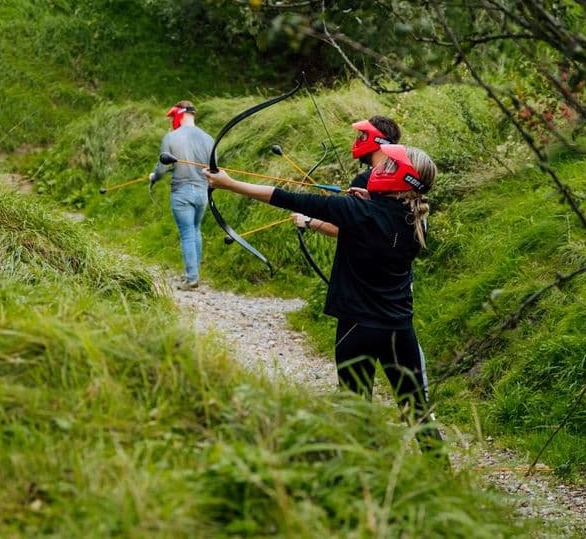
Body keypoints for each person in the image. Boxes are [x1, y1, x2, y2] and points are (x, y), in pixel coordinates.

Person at [204, 144, 443, 451]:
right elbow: (383, 223)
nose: (378, 170)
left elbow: (287, 197)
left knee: (354, 412)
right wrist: (368, 202)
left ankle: (364, 480)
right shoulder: (416, 220)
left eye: (387, 167)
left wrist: (229, 184)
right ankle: (443, 475)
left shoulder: (357, 211)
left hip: (358, 328)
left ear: (401, 179)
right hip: (400, 331)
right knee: (418, 412)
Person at [293, 115, 401, 237]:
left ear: (377, 140)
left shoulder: (364, 181)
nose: (358, 140)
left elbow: (342, 228)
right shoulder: (403, 175)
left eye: (363, 136)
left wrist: (308, 221)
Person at [151, 100, 213, 290]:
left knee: (187, 233)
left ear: (178, 114)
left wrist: (154, 176)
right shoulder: (209, 139)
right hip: (202, 192)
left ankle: (191, 278)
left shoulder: (171, 137)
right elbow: (214, 169)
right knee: (195, 230)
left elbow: (161, 168)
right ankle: (194, 272)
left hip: (181, 192)